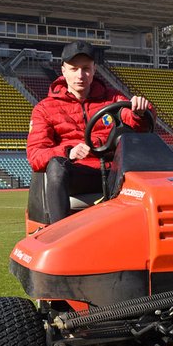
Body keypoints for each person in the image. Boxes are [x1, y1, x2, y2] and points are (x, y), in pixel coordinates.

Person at [26, 40, 154, 223]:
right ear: (63, 70)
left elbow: (136, 123)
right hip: (77, 175)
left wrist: (141, 112)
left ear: (94, 69)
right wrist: (68, 152)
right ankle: (59, 234)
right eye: (74, 69)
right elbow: (35, 155)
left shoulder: (113, 98)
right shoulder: (44, 109)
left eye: (86, 68)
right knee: (56, 166)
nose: (80, 75)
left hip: (112, 172)